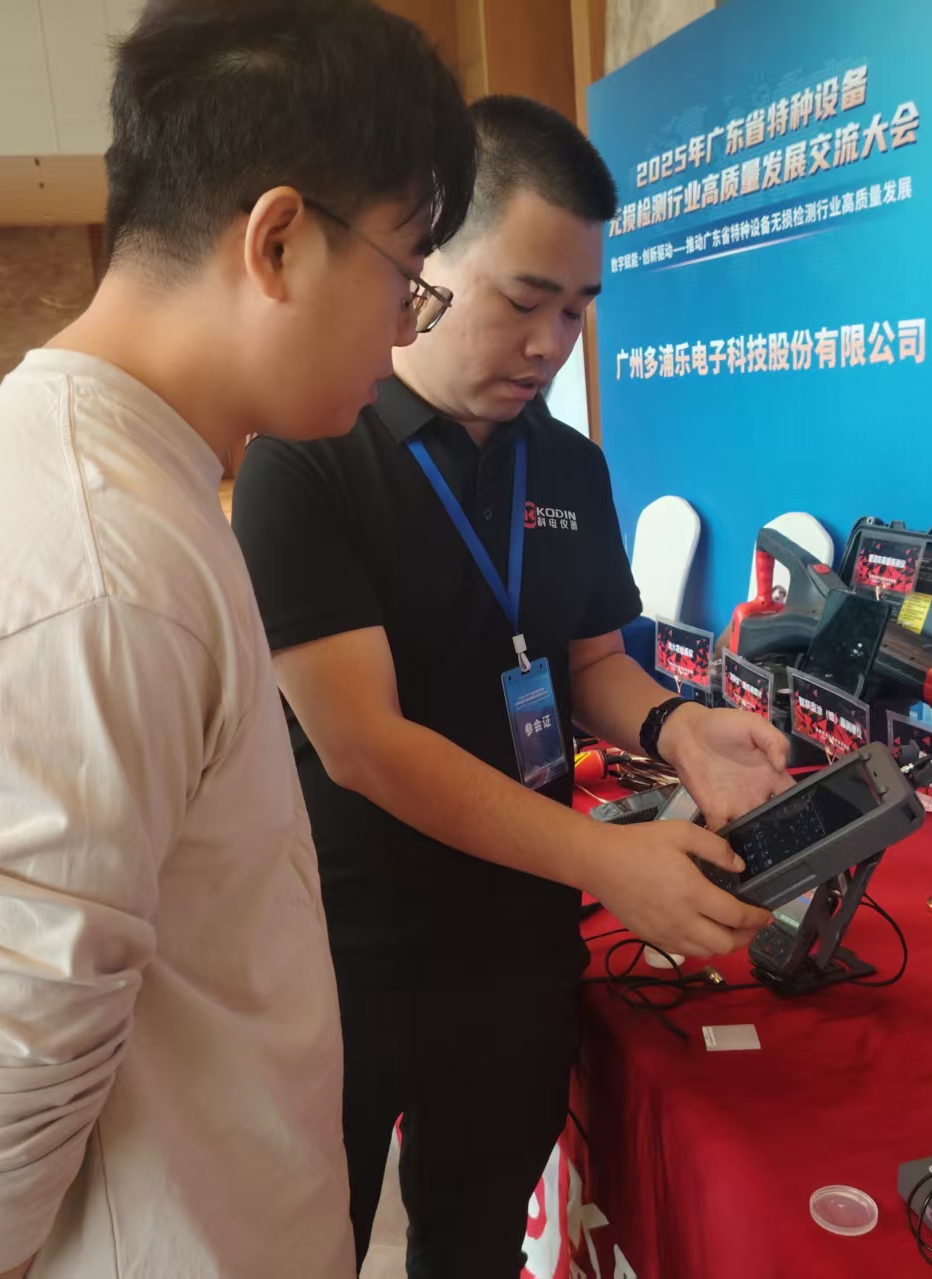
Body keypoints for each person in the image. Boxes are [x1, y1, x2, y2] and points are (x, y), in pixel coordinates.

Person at [0, 2, 476, 1277]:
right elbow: (19, 1024)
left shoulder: (133, 480)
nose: (408, 327)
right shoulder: (95, 563)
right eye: (405, 272)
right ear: (278, 241)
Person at [232, 95, 792, 1276]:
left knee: (473, 1244)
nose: (549, 345)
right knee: (302, 1246)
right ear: (425, 261)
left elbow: (589, 663)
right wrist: (606, 860)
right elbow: (361, 742)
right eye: (523, 300)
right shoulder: (307, 451)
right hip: (343, 951)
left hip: (517, 944)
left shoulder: (568, 465)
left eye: (576, 309)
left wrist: (678, 728)